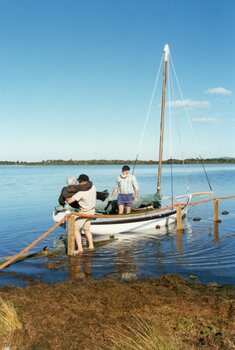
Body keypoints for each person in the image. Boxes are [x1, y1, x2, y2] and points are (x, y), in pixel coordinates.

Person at [66, 174, 96, 254]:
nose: (79, 183)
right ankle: (91, 246)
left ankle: (80, 249)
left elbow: (70, 201)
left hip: (84, 212)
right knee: (86, 229)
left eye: (80, 181)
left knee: (75, 228)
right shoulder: (93, 186)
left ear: (84, 182)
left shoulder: (81, 193)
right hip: (92, 211)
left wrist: (65, 196)